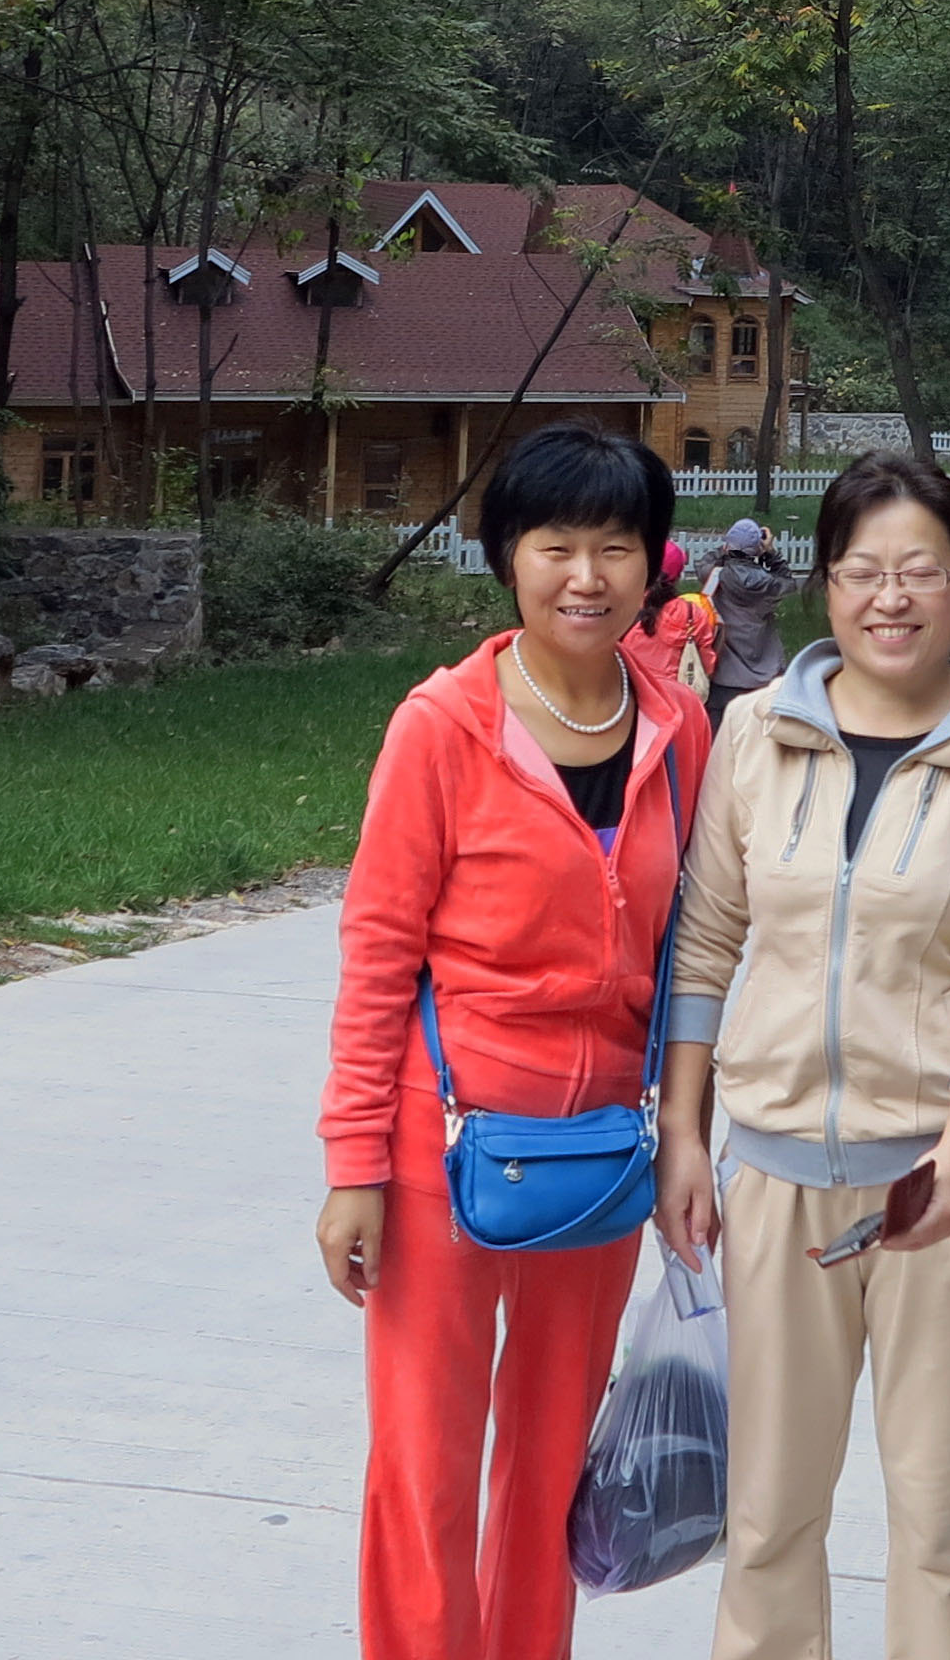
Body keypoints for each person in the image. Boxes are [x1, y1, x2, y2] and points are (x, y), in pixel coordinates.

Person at [660, 451, 950, 1660]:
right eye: (862, 571)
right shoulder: (751, 732)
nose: (890, 598)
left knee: (943, 1527)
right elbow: (704, 942)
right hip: (772, 1178)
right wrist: (685, 1137)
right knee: (767, 1520)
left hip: (941, 1192)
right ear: (824, 584)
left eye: (920, 572)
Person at [320, 423, 709, 1660]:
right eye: (555, 545)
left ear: (655, 564)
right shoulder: (441, 726)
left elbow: (690, 950)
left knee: (548, 1466)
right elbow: (378, 954)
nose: (585, 576)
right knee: (427, 1465)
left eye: (615, 546)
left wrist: (684, 1140)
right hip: (442, 1145)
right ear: (505, 557)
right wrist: (352, 1169)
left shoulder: (675, 729)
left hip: (599, 1149)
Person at [705, 513, 798, 710]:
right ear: (756, 549)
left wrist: (727, 549)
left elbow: (704, 561)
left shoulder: (715, 575)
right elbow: (788, 583)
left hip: (723, 675)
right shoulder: (766, 582)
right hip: (763, 677)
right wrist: (769, 553)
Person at [656, 569, 723, 701]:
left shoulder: (636, 617)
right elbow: (706, 656)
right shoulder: (693, 611)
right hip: (685, 690)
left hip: (649, 691)